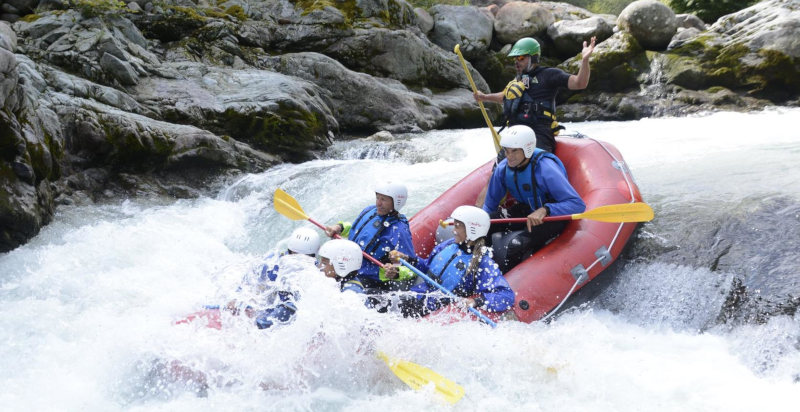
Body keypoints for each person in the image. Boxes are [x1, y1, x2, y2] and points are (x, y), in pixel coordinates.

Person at [482, 125, 586, 272]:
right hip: (526, 210)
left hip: (553, 215)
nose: (508, 156)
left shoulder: (546, 168)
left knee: (516, 245)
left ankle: (507, 282)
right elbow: (489, 206)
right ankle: (480, 271)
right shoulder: (503, 169)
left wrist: (546, 210)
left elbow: (577, 204)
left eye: (514, 151)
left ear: (527, 149)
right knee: (485, 225)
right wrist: (478, 222)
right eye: (506, 150)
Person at [384, 205, 515, 318]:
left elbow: (506, 295)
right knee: (380, 302)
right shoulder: (448, 245)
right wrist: (407, 259)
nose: (453, 230)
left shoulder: (483, 263)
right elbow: (427, 267)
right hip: (418, 295)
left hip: (435, 308)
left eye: (458, 227)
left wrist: (476, 302)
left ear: (472, 230)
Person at [473, 36, 597, 154]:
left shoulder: (549, 75)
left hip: (539, 133)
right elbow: (504, 97)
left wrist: (585, 60)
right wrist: (484, 97)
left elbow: (579, 83)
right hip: (516, 133)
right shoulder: (517, 81)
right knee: (501, 167)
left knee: (535, 161)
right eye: (515, 58)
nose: (516, 61)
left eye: (521, 58)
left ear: (534, 58)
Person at [324, 182, 417, 292]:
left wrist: (396, 273)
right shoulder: (370, 210)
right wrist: (340, 227)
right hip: (348, 265)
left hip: (370, 278)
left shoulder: (399, 230)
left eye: (383, 199)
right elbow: (357, 231)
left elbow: (412, 268)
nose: (378, 203)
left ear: (396, 202)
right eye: (377, 198)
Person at [223, 226, 321, 329]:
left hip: (270, 313)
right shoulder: (317, 272)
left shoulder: (271, 260)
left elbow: (246, 287)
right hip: (273, 315)